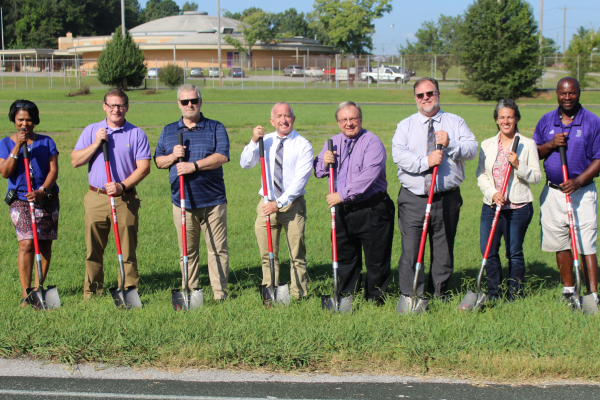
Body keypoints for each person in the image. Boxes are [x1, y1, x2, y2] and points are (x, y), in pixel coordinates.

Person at [392, 77, 478, 300]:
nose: (426, 98)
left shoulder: (455, 122)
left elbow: (472, 150)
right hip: (414, 198)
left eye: (430, 93)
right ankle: (412, 294)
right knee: (411, 248)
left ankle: (439, 293)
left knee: (443, 249)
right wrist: (425, 162)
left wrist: (452, 144)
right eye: (421, 95)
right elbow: (399, 156)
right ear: (415, 99)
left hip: (447, 198)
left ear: (438, 94)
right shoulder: (405, 125)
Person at [71, 89, 151, 298]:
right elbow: (75, 160)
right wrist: (97, 143)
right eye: (112, 105)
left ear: (127, 107)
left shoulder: (136, 134)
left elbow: (144, 168)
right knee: (93, 249)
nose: (116, 109)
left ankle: (128, 290)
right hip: (96, 197)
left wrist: (121, 186)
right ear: (104, 106)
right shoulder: (92, 130)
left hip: (125, 198)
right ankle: (92, 291)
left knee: (127, 249)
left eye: (121, 105)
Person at [313, 101, 395, 304]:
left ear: (360, 119)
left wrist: (342, 194)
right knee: (345, 257)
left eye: (353, 119)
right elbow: (318, 171)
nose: (349, 123)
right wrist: (324, 161)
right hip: (343, 211)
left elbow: (369, 176)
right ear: (338, 122)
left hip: (372, 209)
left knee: (376, 259)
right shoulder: (332, 143)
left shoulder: (372, 142)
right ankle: (348, 295)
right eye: (344, 120)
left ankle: (375, 299)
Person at [154, 84, 230, 300]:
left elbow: (222, 156)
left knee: (218, 250)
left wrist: (193, 166)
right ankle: (190, 291)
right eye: (185, 102)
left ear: (200, 102)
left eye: (194, 101)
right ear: (178, 104)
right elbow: (158, 160)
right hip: (182, 203)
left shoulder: (215, 127)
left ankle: (220, 294)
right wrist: (172, 157)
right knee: (187, 252)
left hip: (213, 201)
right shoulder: (169, 131)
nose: (190, 105)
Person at [533, 77, 600, 304]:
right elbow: (535, 154)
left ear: (579, 93)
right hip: (553, 192)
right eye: (563, 93)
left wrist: (579, 181)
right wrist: (551, 144)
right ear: (557, 94)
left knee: (586, 243)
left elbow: (599, 158)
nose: (567, 97)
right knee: (560, 242)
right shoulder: (546, 120)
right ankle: (569, 290)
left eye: (572, 93)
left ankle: (592, 294)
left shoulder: (591, 121)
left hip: (582, 192)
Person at [240, 102, 313, 299]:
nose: (284, 120)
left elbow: (300, 181)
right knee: (267, 255)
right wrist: (254, 141)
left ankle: (298, 294)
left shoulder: (303, 145)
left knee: (296, 255)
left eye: (287, 115)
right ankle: (270, 291)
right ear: (272, 121)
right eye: (279, 116)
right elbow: (245, 163)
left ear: (293, 119)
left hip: (292, 206)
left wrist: (279, 203)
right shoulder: (266, 141)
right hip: (265, 205)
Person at [476, 99, 541, 300]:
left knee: (513, 251)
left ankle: (515, 293)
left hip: (518, 207)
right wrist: (491, 193)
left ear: (517, 119)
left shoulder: (527, 144)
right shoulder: (486, 144)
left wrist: (518, 164)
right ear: (496, 120)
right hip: (492, 205)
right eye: (502, 117)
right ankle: (494, 292)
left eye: (510, 117)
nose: (506, 121)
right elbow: (481, 174)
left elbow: (536, 177)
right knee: (488, 250)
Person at [0, 101, 60, 306]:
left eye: (28, 119)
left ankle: (38, 289)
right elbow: (5, 172)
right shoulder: (5, 143)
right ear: (14, 121)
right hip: (21, 199)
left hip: (45, 197)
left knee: (44, 243)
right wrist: (17, 145)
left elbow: (53, 171)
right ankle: (26, 292)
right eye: (20, 120)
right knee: (26, 242)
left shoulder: (47, 142)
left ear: (35, 121)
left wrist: (42, 190)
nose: (24, 124)